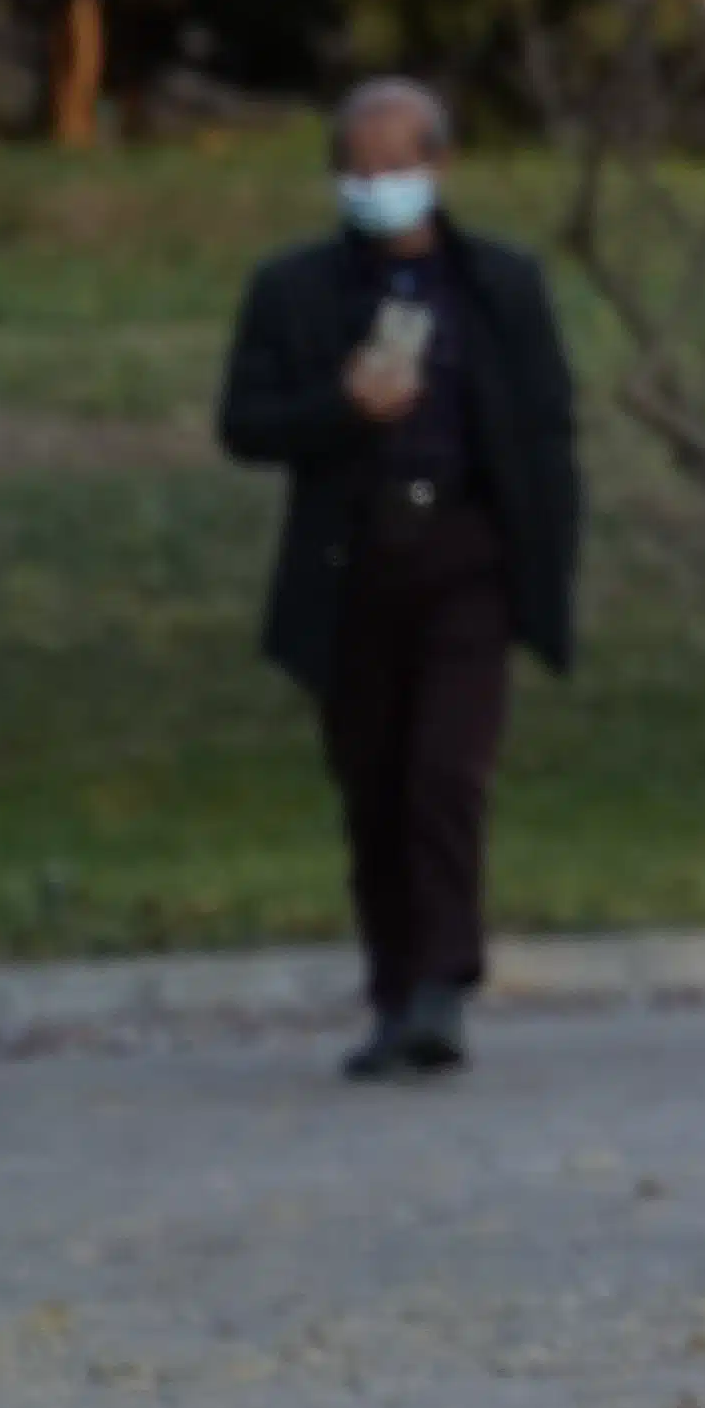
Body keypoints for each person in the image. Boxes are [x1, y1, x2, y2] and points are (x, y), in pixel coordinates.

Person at [219, 76, 583, 1082]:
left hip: (464, 557)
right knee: (374, 787)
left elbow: (546, 432)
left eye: (395, 168)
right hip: (352, 565)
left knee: (443, 776)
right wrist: (340, 409)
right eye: (357, 171)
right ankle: (393, 991)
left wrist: (542, 566)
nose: (376, 188)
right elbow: (245, 424)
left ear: (438, 167)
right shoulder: (294, 291)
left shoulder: (498, 286)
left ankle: (443, 984)